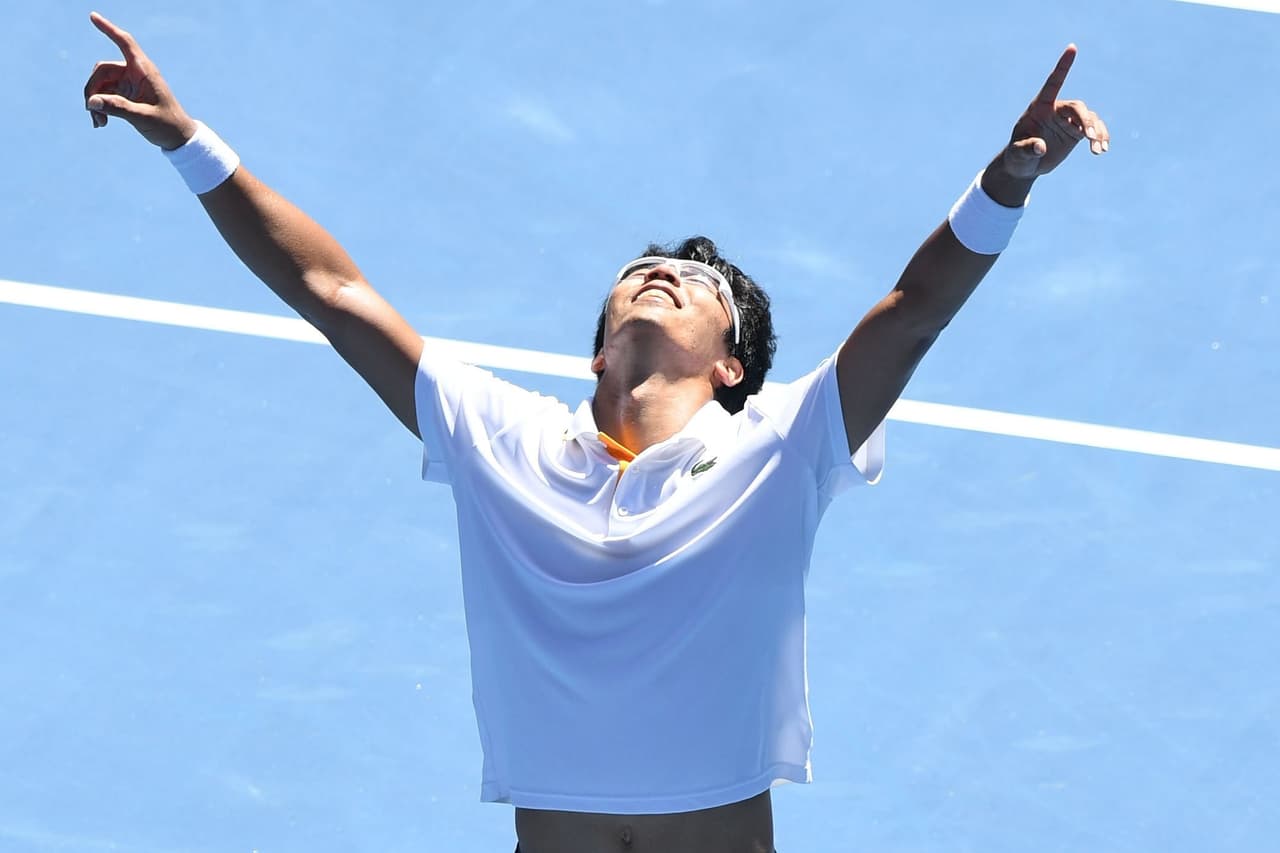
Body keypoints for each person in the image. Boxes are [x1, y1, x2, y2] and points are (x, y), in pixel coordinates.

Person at [83, 11, 1109, 853]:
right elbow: (330, 287)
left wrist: (1004, 186)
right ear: (598, 347)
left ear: (730, 364)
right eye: (641, 273)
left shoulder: (787, 442)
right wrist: (188, 141)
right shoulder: (495, 435)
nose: (661, 273)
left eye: (700, 284)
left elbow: (914, 305)